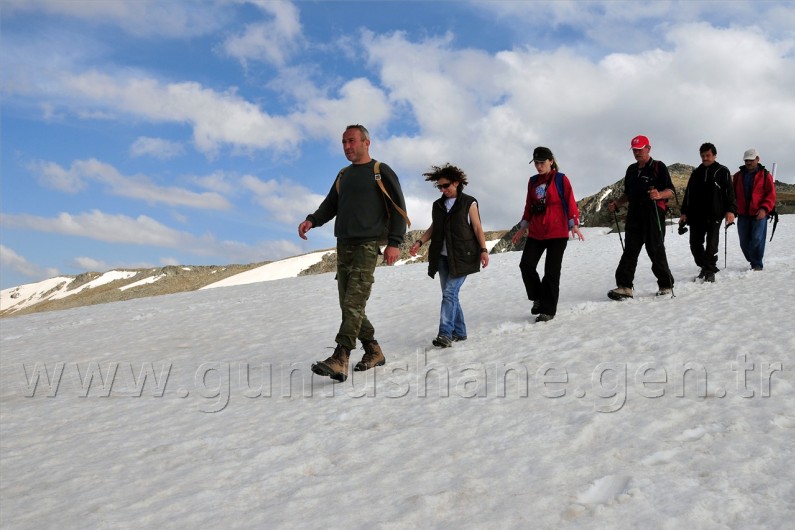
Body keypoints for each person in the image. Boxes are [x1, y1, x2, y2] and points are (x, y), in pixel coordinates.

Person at [298, 124, 408, 382]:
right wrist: (312, 220)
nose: (347, 147)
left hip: (367, 246)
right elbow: (330, 205)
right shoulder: (343, 175)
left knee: (353, 303)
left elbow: (399, 208)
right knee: (348, 304)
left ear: (366, 143)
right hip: (343, 246)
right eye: (344, 142)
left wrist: (395, 242)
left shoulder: (380, 171)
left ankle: (340, 356)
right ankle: (373, 350)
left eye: (352, 141)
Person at [409, 164, 489, 347]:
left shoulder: (469, 202)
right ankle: (460, 332)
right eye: (440, 187)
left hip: (464, 255)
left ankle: (445, 333)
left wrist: (484, 250)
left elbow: (477, 227)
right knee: (450, 295)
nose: (443, 190)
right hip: (442, 257)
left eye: (446, 186)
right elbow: (434, 227)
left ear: (457, 183)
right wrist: (419, 242)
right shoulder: (438, 205)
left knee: (449, 293)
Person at [510, 147, 584, 322]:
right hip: (536, 231)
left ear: (551, 161)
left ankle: (548, 310)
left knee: (551, 272)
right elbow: (529, 205)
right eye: (536, 163)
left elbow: (570, 201)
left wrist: (573, 224)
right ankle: (538, 298)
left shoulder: (560, 179)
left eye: (542, 162)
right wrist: (522, 228)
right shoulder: (533, 181)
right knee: (526, 265)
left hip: (557, 232)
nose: (538, 166)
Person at [607, 135, 675, 299]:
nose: (637, 153)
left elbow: (671, 191)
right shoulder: (631, 170)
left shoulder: (658, 167)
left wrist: (659, 194)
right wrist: (617, 203)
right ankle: (625, 287)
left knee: (655, 249)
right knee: (630, 250)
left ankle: (666, 285)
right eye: (635, 150)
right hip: (635, 213)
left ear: (648, 148)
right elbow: (628, 194)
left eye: (640, 149)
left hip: (653, 213)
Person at [679, 142, 736, 282]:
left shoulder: (722, 171)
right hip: (696, 215)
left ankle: (710, 269)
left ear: (714, 155)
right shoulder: (696, 173)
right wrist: (684, 212)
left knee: (711, 244)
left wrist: (730, 211)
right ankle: (704, 265)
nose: (705, 158)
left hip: (715, 214)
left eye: (708, 155)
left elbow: (730, 193)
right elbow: (688, 194)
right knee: (695, 245)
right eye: (702, 156)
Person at [732, 148, 776, 271]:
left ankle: (757, 264)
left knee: (757, 239)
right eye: (746, 160)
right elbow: (732, 194)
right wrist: (731, 209)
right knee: (744, 242)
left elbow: (770, 194)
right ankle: (753, 260)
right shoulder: (738, 176)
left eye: (751, 160)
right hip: (742, 214)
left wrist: (764, 209)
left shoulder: (766, 175)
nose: (748, 163)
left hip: (759, 213)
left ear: (757, 159)